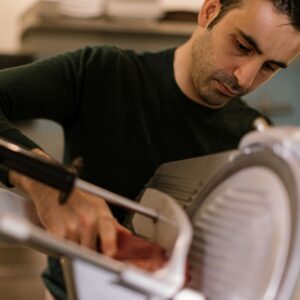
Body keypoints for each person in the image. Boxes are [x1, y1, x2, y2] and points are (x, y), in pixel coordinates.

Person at [0, 0, 299, 299]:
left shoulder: (252, 142)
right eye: (243, 45)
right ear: (209, 11)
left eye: (270, 66)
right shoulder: (103, 72)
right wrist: (46, 182)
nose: (244, 78)